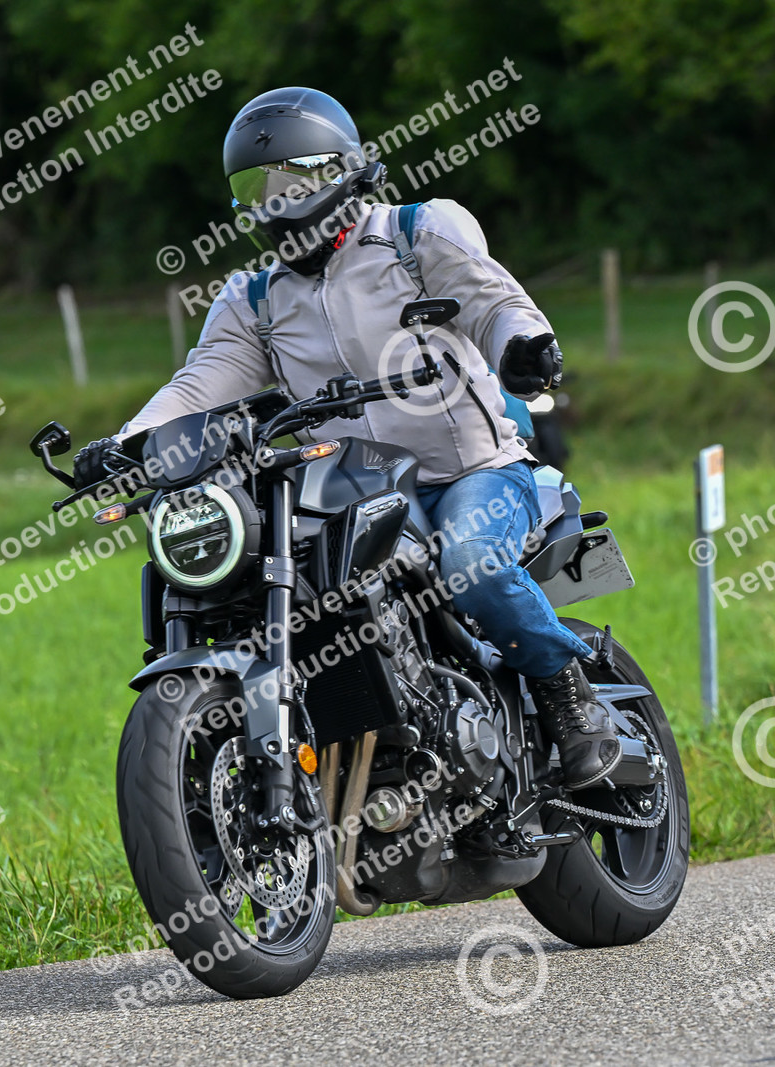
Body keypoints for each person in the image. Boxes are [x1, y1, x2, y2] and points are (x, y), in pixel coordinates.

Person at [71, 87, 619, 788]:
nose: (276, 201)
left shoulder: (417, 234)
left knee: (472, 562)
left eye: (292, 181)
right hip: (348, 491)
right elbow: (201, 382)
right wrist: (132, 442)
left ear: (340, 170)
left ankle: (569, 693)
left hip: (471, 473)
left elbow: (494, 303)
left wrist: (522, 346)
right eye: (257, 187)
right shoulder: (254, 299)